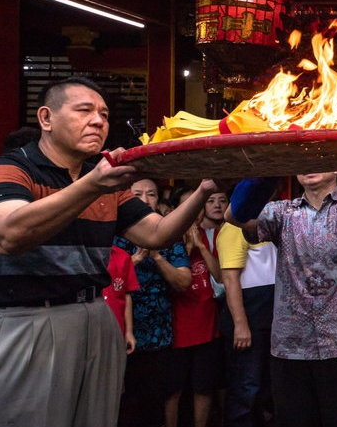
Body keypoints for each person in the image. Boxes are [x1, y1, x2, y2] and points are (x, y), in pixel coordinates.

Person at [0, 76, 220, 427]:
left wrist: (203, 189)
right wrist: (91, 185)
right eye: (84, 111)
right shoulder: (11, 169)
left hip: (95, 314)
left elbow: (157, 233)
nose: (98, 121)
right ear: (46, 118)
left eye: (103, 114)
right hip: (26, 321)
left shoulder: (104, 180)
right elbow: (8, 235)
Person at [228, 161, 337, 427]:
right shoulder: (282, 212)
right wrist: (268, 168)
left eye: (321, 159)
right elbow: (234, 216)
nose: (310, 165)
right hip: (291, 346)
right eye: (302, 160)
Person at [118, 178, 194, 427]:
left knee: (154, 404)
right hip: (117, 332)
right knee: (120, 403)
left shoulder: (169, 237)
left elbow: (184, 282)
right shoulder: (114, 233)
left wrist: (156, 255)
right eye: (137, 193)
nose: (144, 199)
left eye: (151, 194)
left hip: (158, 333)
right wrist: (135, 261)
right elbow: (102, 278)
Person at [165, 189, 225, 427]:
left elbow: (220, 276)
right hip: (176, 325)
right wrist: (186, 248)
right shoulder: (167, 237)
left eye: (197, 206)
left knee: (204, 386)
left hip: (207, 323)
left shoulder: (210, 235)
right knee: (173, 389)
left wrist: (199, 246)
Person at [217, 213, 277, 427]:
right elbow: (230, 278)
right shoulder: (233, 228)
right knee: (245, 387)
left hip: (271, 316)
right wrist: (241, 325)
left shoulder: (271, 223)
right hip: (250, 315)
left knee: (267, 388)